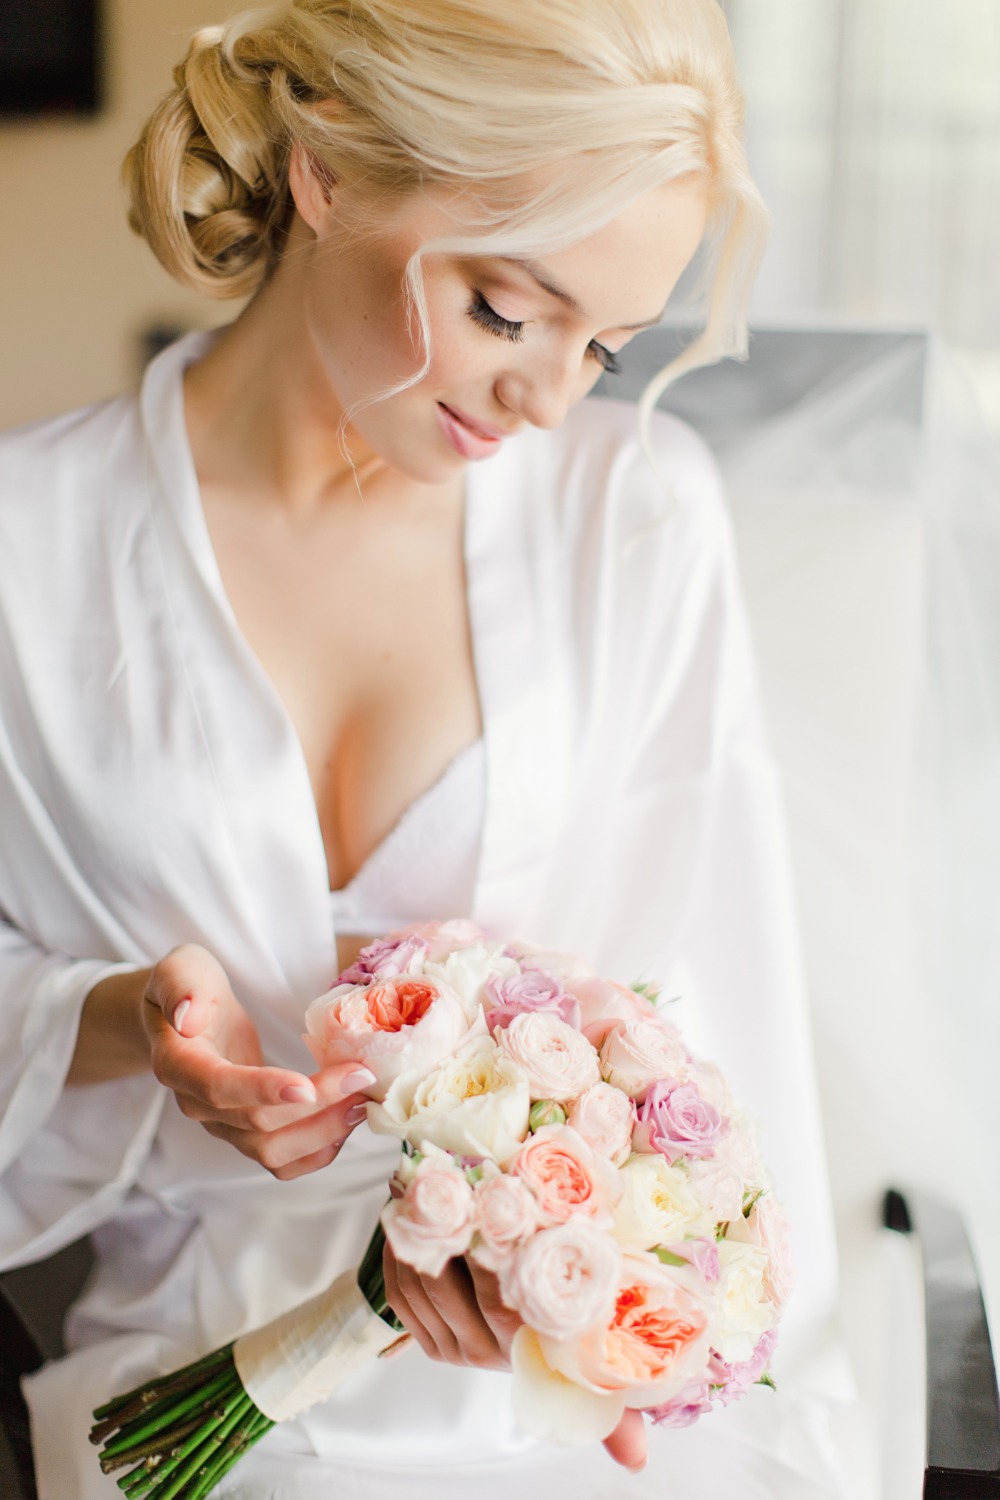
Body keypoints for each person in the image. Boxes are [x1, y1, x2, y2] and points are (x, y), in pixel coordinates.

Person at [0, 1, 850, 1495]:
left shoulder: (636, 518)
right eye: (507, 311)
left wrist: (664, 1315)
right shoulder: (29, 549)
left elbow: (722, 994)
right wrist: (128, 1021)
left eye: (604, 346)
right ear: (327, 169)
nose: (542, 396)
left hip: (537, 1390)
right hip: (179, 1382)